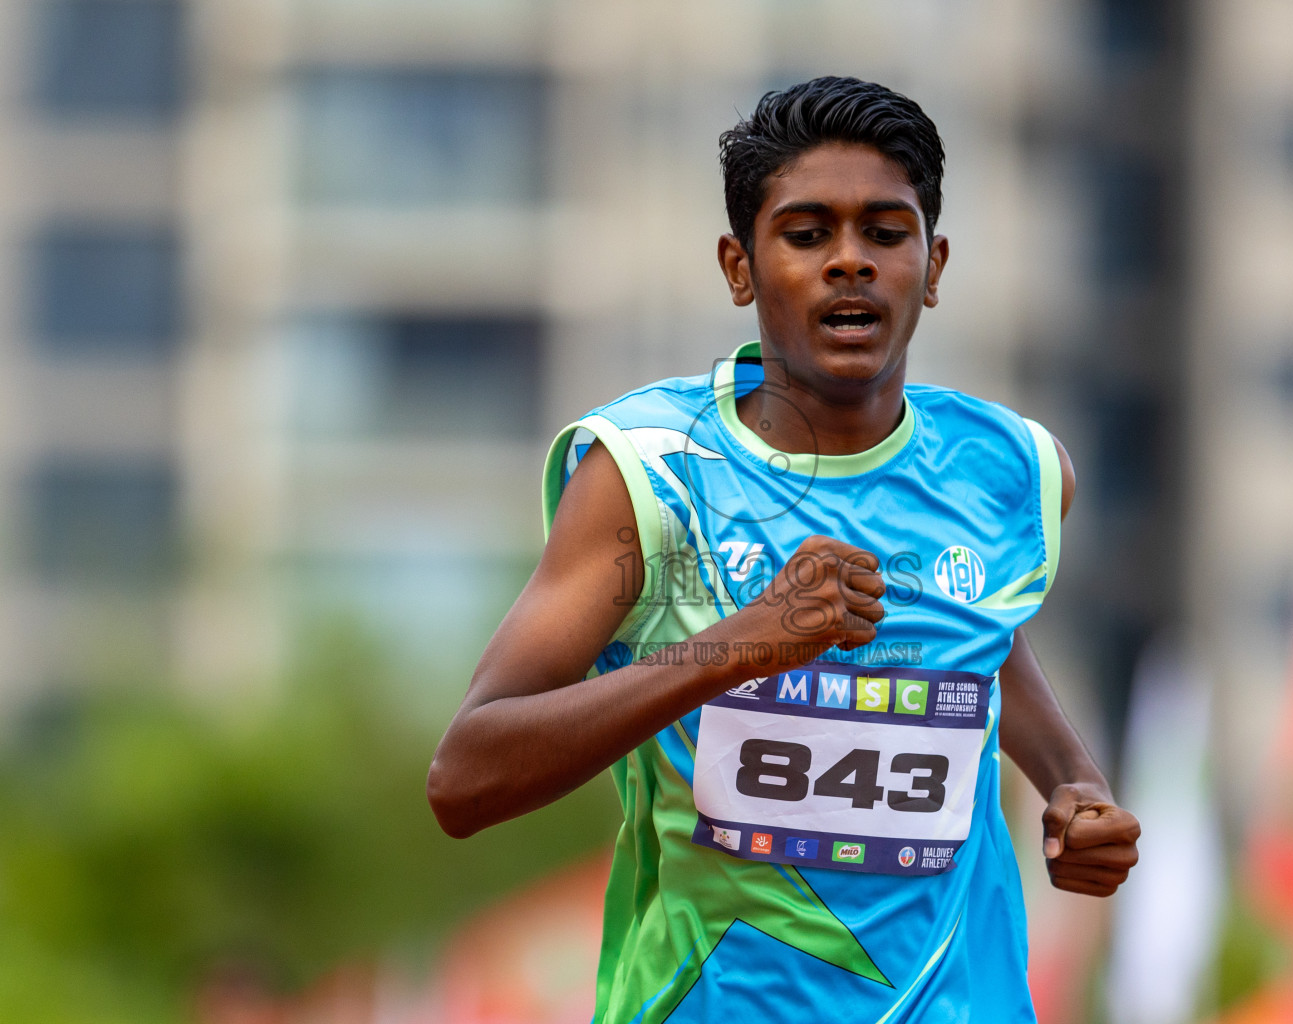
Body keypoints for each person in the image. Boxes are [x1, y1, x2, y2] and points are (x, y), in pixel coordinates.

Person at [428, 75, 1140, 1022]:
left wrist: (1078, 793)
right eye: (808, 235)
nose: (850, 263)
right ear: (740, 266)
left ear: (931, 267)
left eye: (886, 233)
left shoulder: (1007, 471)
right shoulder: (651, 478)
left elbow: (985, 648)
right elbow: (465, 778)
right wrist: (740, 646)